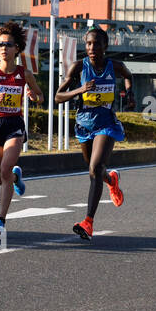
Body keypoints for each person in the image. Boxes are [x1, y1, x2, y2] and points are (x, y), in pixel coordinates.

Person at [56, 26, 131, 241]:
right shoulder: (78, 68)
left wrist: (129, 92)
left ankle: (88, 223)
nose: (92, 47)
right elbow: (58, 97)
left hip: (106, 124)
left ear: (105, 46)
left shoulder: (114, 66)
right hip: (84, 125)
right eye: (88, 43)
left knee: (96, 167)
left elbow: (128, 75)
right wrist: (80, 90)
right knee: (94, 172)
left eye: (96, 43)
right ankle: (111, 180)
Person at [0, 20, 43, 236]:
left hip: (14, 124)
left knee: (4, 170)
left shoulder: (24, 74)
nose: (4, 48)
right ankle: (15, 178)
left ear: (17, 49)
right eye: (0, 44)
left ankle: (1, 220)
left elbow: (40, 96)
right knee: (0, 176)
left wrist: (34, 96)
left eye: (8, 44)